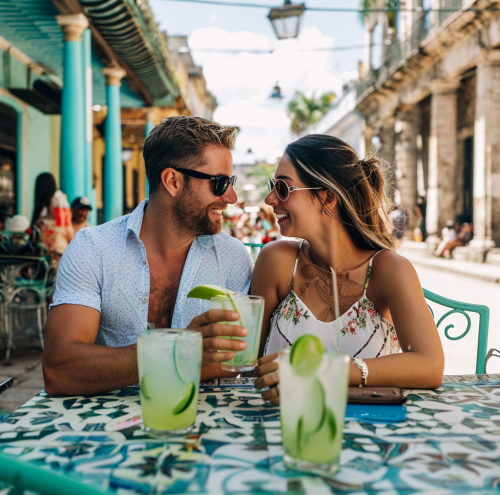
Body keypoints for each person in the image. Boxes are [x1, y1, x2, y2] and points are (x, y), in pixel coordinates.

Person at [43, 116, 253, 396]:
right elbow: (60, 370)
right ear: (172, 181)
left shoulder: (234, 258)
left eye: (231, 181)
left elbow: (232, 363)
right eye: (220, 182)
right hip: (106, 432)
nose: (231, 197)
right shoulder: (92, 249)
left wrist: (121, 362)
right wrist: (181, 348)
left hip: (203, 429)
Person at [251, 135, 444, 405]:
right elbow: (248, 363)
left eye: (283, 188)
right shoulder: (276, 261)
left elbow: (430, 366)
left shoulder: (388, 270)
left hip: (370, 431)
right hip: (279, 429)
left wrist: (326, 369)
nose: (270, 199)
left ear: (327, 197)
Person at [31, 173, 74, 261]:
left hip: (56, 245)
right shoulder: (52, 200)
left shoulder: (58, 197)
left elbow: (64, 224)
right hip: (49, 245)